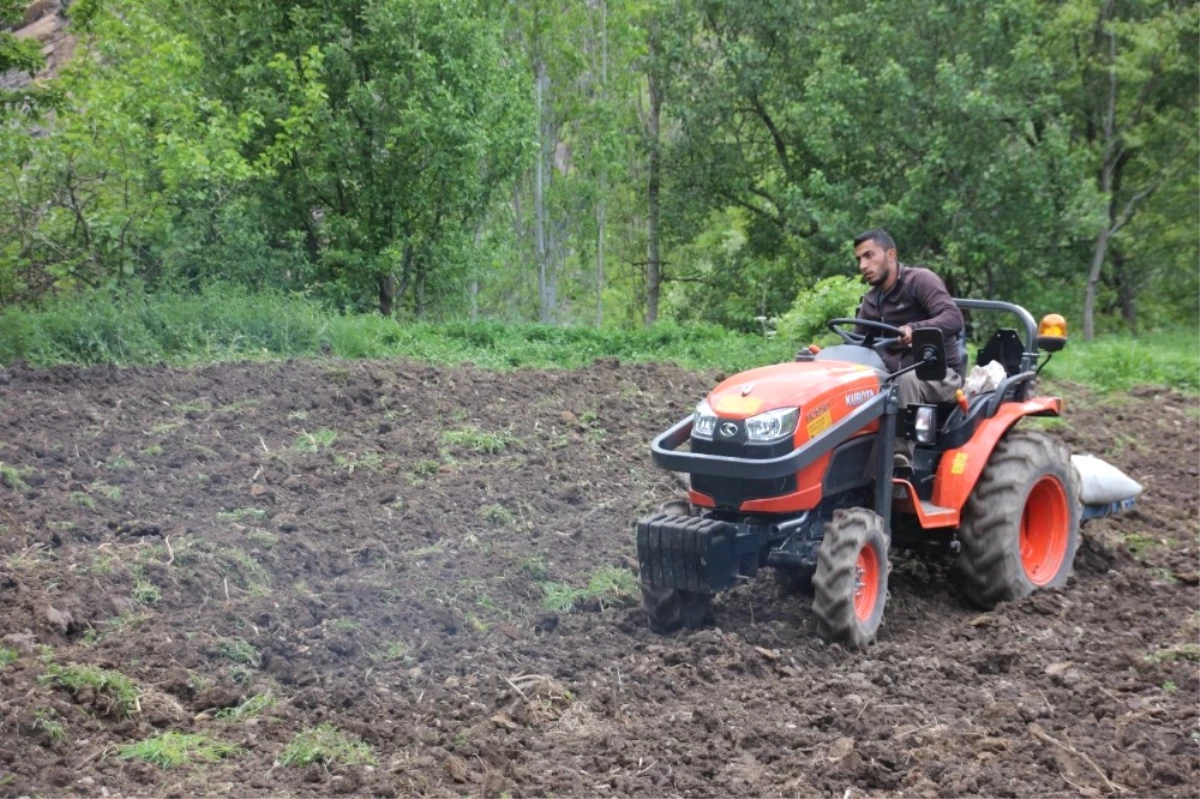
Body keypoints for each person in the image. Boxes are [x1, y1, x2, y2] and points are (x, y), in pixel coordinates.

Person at [852, 228, 964, 465]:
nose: (863, 265)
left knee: (906, 381)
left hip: (937, 372)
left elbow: (953, 317)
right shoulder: (871, 300)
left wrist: (916, 328)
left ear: (891, 254)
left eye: (869, 256)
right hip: (892, 372)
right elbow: (857, 344)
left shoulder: (919, 280)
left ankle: (897, 459)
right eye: (859, 259)